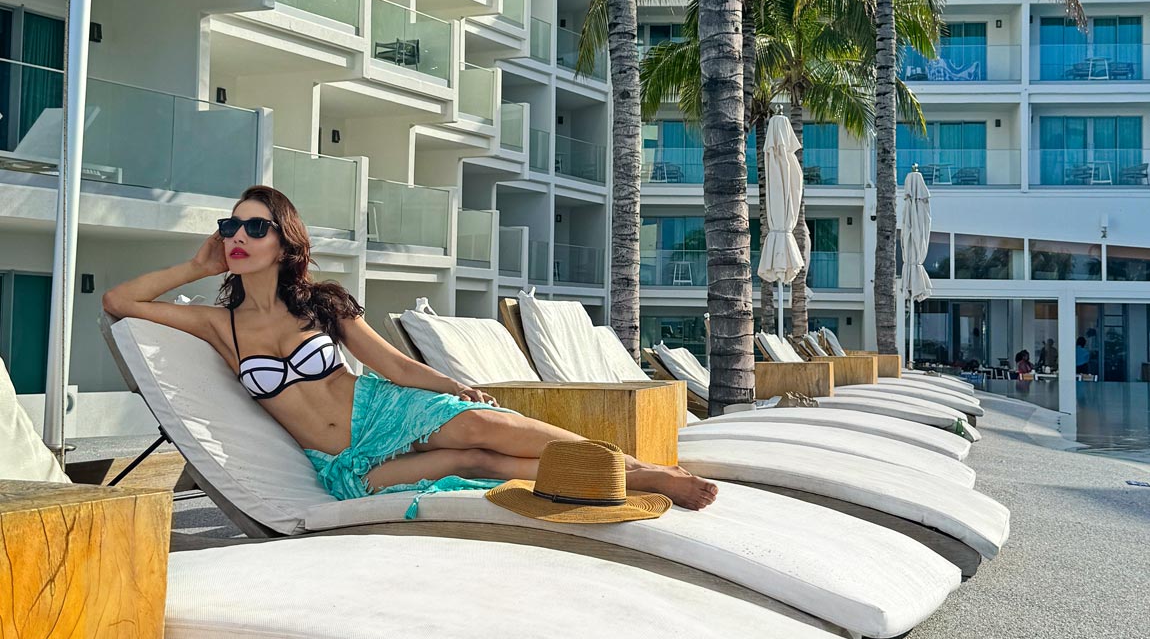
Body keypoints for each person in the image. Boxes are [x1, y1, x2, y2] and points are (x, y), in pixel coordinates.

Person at [104, 185, 717, 520]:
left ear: (284, 241)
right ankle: (617, 478)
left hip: (385, 409)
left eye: (255, 226)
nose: (238, 236)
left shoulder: (321, 304)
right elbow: (119, 300)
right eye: (230, 226)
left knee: (492, 427)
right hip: (345, 462)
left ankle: (641, 470)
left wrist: (450, 387)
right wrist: (193, 263)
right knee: (479, 464)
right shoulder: (219, 326)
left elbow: (390, 364)